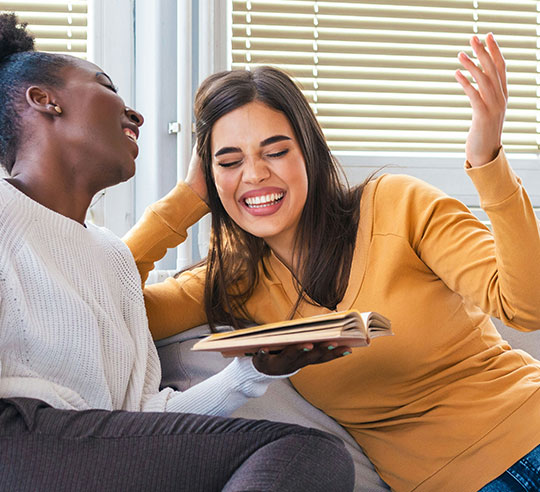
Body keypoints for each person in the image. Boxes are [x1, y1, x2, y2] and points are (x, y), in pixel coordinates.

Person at [0, 13, 357, 492]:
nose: (136, 115)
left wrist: (248, 374)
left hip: (80, 455)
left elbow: (139, 418)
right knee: (305, 455)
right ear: (46, 101)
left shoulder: (111, 257)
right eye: (106, 86)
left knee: (309, 457)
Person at [124, 33, 540, 491]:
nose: (255, 173)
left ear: (310, 152)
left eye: (276, 151)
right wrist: (184, 203)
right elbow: (109, 305)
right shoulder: (232, 281)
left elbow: (526, 305)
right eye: (229, 161)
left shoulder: (397, 205)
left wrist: (486, 160)